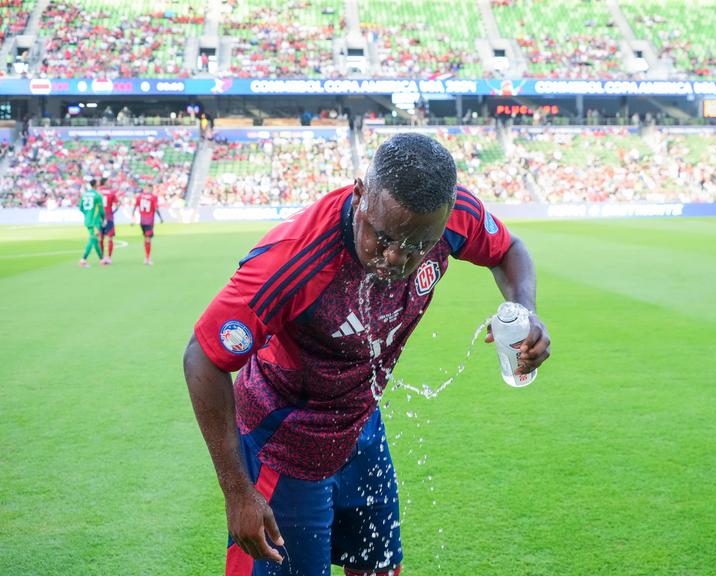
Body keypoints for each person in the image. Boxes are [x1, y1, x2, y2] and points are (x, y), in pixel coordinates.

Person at [183, 133, 551, 576]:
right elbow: (202, 358)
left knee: (380, 568)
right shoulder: (294, 258)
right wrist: (237, 491)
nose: (395, 258)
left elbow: (509, 249)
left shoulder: (454, 217)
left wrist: (525, 311)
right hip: (284, 442)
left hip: (362, 426)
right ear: (360, 195)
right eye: (383, 237)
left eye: (417, 247)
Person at [132, 185, 164, 265]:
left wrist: (133, 217)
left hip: (142, 221)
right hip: (149, 221)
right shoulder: (153, 197)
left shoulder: (139, 197)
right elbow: (156, 208)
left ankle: (147, 257)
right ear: (151, 189)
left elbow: (135, 207)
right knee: (148, 239)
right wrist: (160, 218)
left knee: (146, 238)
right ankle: (147, 258)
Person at [78, 178, 105, 268]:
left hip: (88, 220)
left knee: (95, 240)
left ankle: (101, 259)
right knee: (93, 239)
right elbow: (101, 210)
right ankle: (83, 259)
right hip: (95, 221)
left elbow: (81, 207)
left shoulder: (84, 194)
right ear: (96, 185)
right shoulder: (97, 195)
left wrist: (87, 214)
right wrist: (103, 218)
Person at [99, 177, 120, 265]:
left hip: (99, 217)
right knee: (110, 237)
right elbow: (117, 204)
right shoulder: (112, 193)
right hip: (109, 217)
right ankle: (109, 257)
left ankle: (102, 257)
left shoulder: (98, 192)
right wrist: (113, 211)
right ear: (104, 183)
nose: (110, 183)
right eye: (108, 182)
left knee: (101, 238)